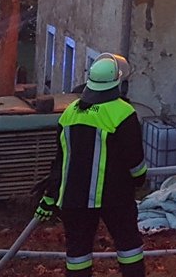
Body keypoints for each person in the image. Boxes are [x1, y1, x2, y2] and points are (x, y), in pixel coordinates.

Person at [36, 54, 148, 276]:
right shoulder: (123, 113)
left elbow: (60, 161)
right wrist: (139, 180)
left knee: (77, 253)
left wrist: (50, 197)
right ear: (118, 82)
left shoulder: (70, 112)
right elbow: (135, 160)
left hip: (74, 198)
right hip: (114, 196)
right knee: (129, 246)